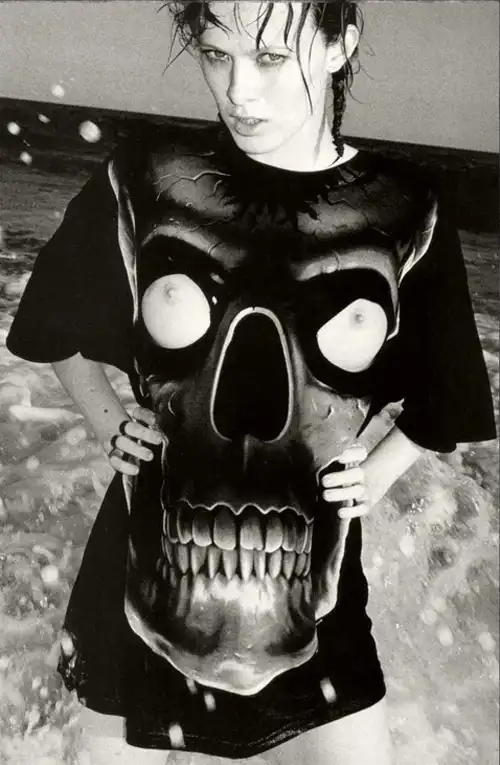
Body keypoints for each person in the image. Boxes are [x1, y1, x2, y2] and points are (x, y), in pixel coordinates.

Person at [6, 2, 496, 764]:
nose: (239, 90)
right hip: (152, 553)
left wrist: (374, 474)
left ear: (339, 46)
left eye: (269, 58)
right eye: (215, 54)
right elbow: (54, 324)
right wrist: (109, 423)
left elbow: (449, 395)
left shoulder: (404, 205)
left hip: (309, 568)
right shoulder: (148, 175)